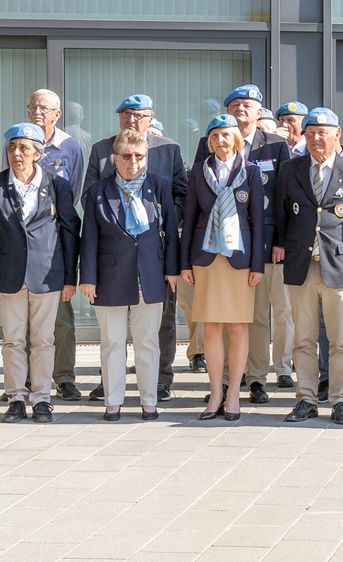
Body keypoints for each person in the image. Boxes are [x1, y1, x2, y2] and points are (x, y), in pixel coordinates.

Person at [83, 94, 190, 403]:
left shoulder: (168, 148)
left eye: (139, 115)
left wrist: (161, 218)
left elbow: (181, 193)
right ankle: (110, 385)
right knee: (113, 335)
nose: (132, 119)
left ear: (150, 118)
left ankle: (161, 380)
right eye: (126, 114)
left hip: (154, 250)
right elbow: (90, 195)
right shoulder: (102, 148)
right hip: (114, 251)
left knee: (159, 325)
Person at [194, 84, 292, 405]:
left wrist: (280, 240)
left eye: (247, 105)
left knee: (255, 316)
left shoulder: (275, 145)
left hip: (261, 244)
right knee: (221, 318)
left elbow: (283, 196)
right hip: (216, 245)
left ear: (258, 110)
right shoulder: (208, 142)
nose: (240, 109)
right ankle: (223, 382)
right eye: (235, 105)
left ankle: (256, 378)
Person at [274, 108, 343, 425]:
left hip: (338, 266)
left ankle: (340, 400)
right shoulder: (290, 170)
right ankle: (306, 398)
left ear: (337, 134)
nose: (316, 138)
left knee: (341, 339)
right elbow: (282, 216)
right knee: (303, 338)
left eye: (323, 132)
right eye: (311, 132)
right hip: (301, 267)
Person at [181, 114, 265, 421]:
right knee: (212, 327)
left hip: (239, 258)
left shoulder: (251, 172)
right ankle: (216, 392)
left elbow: (257, 221)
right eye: (214, 136)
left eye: (225, 135)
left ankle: (233, 395)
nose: (220, 141)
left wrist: (258, 265)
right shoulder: (198, 172)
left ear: (236, 139)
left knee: (238, 326)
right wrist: (184, 263)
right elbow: (189, 217)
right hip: (206, 257)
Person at [0, 123, 78, 424]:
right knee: (13, 340)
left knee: (44, 340)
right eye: (12, 147)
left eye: (24, 148)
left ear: (38, 153)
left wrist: (70, 278)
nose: (17, 153)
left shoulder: (57, 186)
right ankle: (16, 398)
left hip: (47, 275)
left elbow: (70, 232)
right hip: (9, 275)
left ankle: (42, 398)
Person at [20, 90, 84, 405]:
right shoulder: (18, 142)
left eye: (43, 108)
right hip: (22, 244)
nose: (37, 111)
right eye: (33, 106)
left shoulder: (70, 146)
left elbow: (74, 194)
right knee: (23, 317)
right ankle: (25, 378)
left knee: (61, 317)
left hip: (56, 243)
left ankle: (64, 378)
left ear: (57, 114)